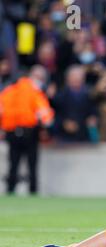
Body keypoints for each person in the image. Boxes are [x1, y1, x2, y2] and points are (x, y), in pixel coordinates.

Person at [0, 65, 54, 194]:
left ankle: (10, 189)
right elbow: (45, 115)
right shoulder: (35, 91)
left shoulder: (8, 91)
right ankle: (33, 190)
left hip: (12, 132)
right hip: (30, 132)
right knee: (32, 164)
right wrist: (46, 128)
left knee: (13, 163)